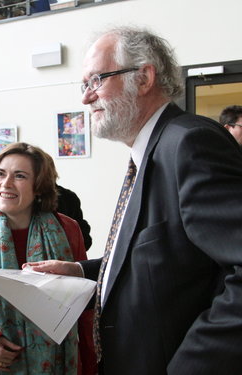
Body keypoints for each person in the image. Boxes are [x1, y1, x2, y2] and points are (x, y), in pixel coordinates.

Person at [25, 26, 242, 375]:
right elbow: (169, 259)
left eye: (96, 80)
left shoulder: (189, 143)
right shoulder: (149, 153)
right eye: (84, 85)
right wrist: (83, 272)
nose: (86, 98)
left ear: (143, 78)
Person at [0, 142, 96, 374]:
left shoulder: (69, 229)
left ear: (38, 186)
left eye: (19, 176)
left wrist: (89, 362)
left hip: (58, 359)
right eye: (0, 174)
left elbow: (82, 300)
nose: (5, 184)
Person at [0, 184, 92, 250]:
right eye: (1, 174)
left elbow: (84, 242)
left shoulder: (69, 221)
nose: (7, 184)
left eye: (20, 176)